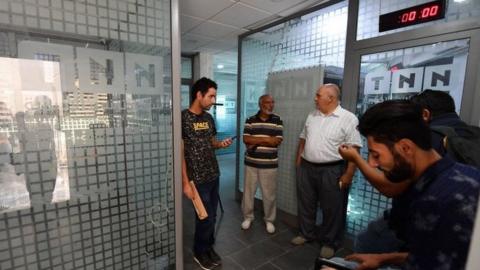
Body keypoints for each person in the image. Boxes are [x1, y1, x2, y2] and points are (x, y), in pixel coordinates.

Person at [341, 100, 480, 269]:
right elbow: (432, 254)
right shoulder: (457, 174)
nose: (371, 164)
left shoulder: (438, 202)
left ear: (406, 148)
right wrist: (385, 259)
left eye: (376, 155)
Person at [291, 83, 362, 258]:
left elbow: (355, 149)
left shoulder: (348, 118)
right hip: (307, 168)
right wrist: (299, 158)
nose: (315, 98)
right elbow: (303, 138)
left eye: (318, 95)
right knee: (306, 203)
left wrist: (348, 174)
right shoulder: (312, 115)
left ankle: (330, 242)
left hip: (333, 169)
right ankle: (306, 233)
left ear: (330, 98)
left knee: (333, 208)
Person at [181, 77, 233, 270]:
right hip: (197, 179)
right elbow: (180, 154)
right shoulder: (183, 118)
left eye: (214, 96)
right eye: (210, 96)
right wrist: (185, 183)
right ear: (199, 95)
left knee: (212, 214)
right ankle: (199, 251)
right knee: (205, 216)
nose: (213, 100)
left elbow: (212, 143)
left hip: (213, 174)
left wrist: (221, 144)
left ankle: (208, 247)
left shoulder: (208, 118)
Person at [241, 94, 283, 234]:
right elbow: (246, 139)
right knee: (248, 193)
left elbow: (276, 141)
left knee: (269, 194)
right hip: (251, 163)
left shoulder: (277, 120)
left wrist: (255, 140)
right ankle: (248, 217)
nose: (271, 105)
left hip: (269, 164)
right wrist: (266, 139)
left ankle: (269, 220)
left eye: (273, 102)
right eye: (267, 102)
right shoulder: (250, 120)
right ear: (260, 104)